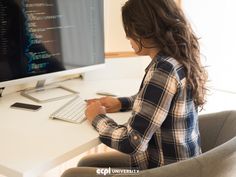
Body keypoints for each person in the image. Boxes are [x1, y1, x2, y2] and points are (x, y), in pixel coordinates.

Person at [61, 0, 207, 176]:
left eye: (128, 31)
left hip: (163, 171)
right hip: (181, 165)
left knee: (73, 174)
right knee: (88, 162)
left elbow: (132, 143)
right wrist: (120, 103)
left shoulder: (162, 71)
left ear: (143, 30)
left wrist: (96, 117)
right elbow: (158, 100)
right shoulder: (176, 60)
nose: (127, 37)